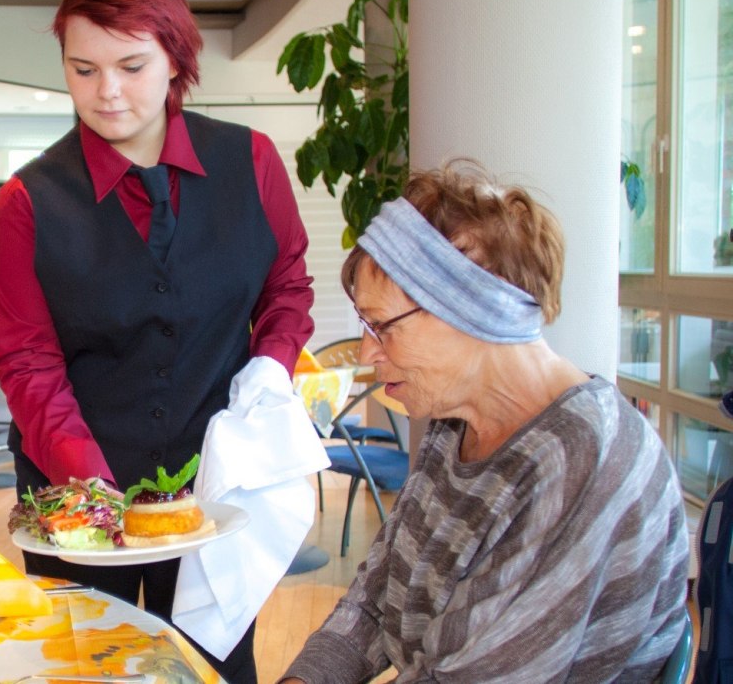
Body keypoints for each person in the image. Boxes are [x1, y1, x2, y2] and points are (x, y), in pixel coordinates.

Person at [0, 0, 314, 680]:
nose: (106, 93)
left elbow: (286, 283)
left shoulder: (252, 162)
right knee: (85, 666)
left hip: (212, 490)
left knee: (211, 665)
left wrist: (271, 365)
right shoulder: (27, 202)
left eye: (131, 66)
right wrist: (95, 494)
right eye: (82, 69)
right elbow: (25, 360)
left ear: (175, 58)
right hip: (75, 496)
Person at [281, 161, 689, 683]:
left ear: (475, 307)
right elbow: (375, 602)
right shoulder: (453, 426)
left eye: (381, 326)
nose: (367, 352)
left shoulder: (584, 457)